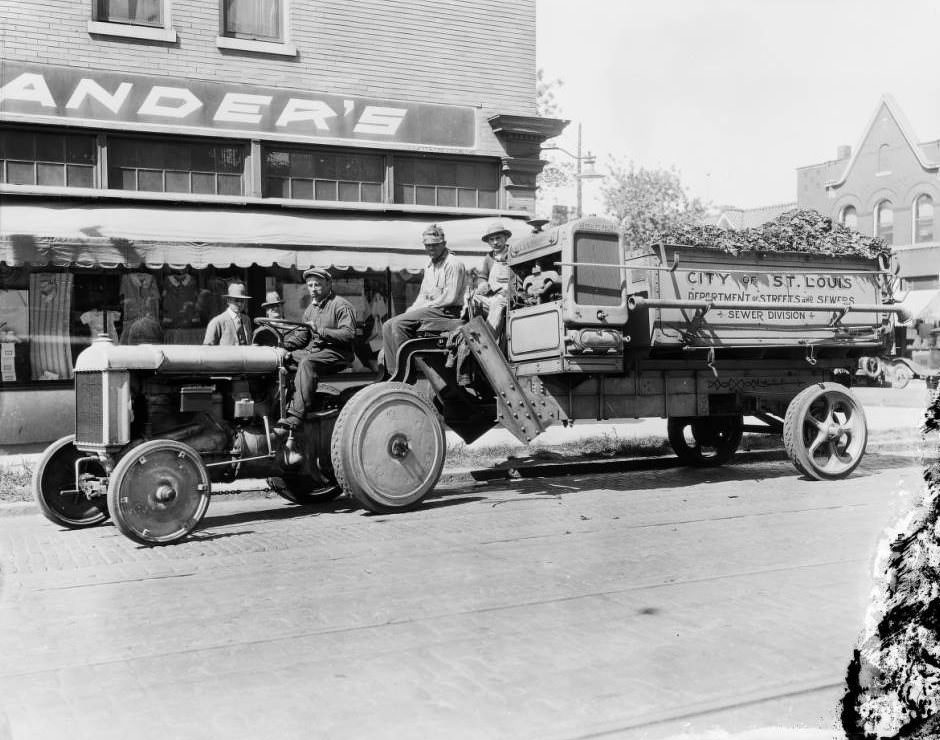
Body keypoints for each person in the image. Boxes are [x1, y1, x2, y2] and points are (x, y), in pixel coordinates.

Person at [275, 268, 356, 432]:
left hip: (338, 352)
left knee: (307, 362)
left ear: (328, 284)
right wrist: (282, 346)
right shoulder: (310, 310)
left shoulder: (341, 305)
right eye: (310, 285)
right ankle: (280, 407)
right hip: (317, 351)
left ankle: (297, 416)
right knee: (284, 359)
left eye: (317, 285)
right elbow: (302, 337)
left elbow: (349, 334)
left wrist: (321, 330)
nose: (313, 289)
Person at [381, 224, 467, 375]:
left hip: (447, 312)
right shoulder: (429, 266)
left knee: (400, 325)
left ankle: (406, 373)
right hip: (431, 310)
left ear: (444, 244)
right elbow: (422, 295)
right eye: (427, 246)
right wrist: (410, 311)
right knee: (388, 324)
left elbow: (450, 297)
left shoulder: (453, 264)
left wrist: (424, 307)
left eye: (435, 245)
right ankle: (392, 371)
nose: (431, 249)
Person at [471, 221, 513, 331]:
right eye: (491, 239)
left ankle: (490, 341)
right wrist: (482, 284)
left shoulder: (513, 254)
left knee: (497, 304)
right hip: (490, 296)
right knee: (470, 298)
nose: (495, 242)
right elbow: (482, 276)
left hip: (507, 297)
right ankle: (471, 333)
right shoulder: (489, 257)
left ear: (506, 238)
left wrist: (508, 291)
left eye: (498, 238)